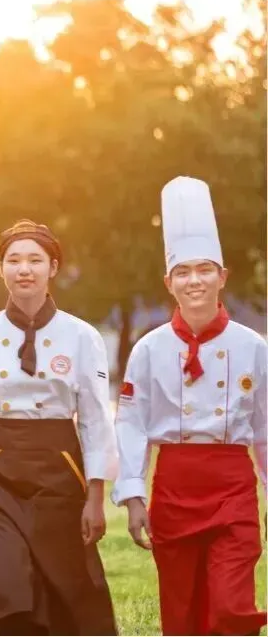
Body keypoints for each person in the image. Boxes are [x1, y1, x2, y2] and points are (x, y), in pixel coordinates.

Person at [0, 219, 118, 635]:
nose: (24, 269)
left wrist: (95, 498)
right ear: (0, 268)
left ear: (52, 268)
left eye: (35, 260)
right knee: (6, 585)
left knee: (68, 586)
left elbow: (95, 420)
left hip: (60, 468)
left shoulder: (82, 336)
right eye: (14, 260)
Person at [113, 176, 267, 636]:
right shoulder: (149, 349)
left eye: (204, 269)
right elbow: (132, 423)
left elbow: (265, 427)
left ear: (223, 277)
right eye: (183, 272)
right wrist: (133, 494)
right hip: (174, 487)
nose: (194, 280)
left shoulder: (253, 346)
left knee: (230, 607)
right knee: (181, 613)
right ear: (168, 282)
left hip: (232, 486)